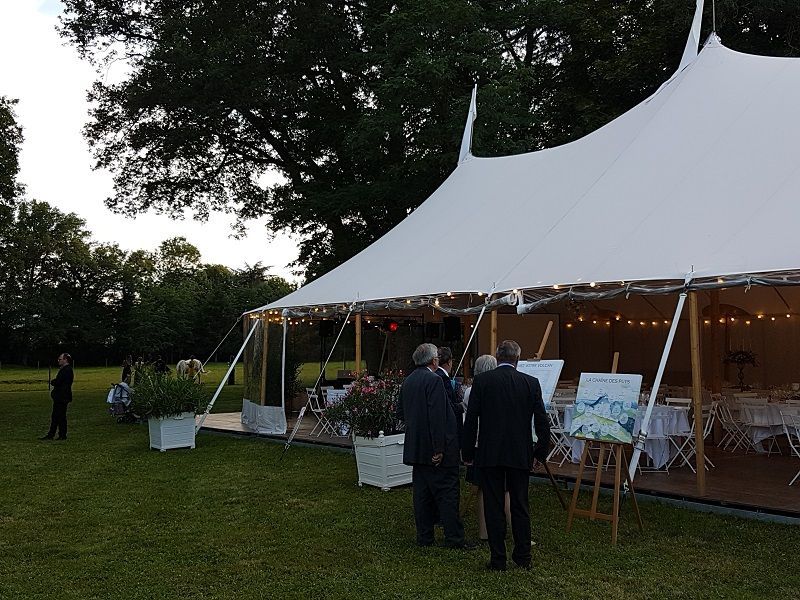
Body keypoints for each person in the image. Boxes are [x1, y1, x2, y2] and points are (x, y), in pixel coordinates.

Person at [462, 340, 550, 571]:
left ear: (497, 356)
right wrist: (540, 453)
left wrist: (468, 451)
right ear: (517, 359)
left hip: (490, 452)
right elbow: (542, 421)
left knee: (493, 505)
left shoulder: (483, 382)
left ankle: (498, 558)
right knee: (520, 504)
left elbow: (471, 420)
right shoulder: (530, 383)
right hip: (520, 452)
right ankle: (523, 556)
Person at [396, 343, 468, 549]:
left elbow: (400, 412)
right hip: (435, 447)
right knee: (447, 493)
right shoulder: (434, 380)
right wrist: (439, 448)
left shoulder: (408, 380)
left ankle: (425, 536)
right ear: (434, 360)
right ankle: (454, 538)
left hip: (416, 446)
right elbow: (438, 417)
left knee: (422, 494)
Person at [461, 354, 506, 541]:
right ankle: (505, 526)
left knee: (480, 487)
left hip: (477, 443)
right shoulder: (497, 389)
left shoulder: (470, 391)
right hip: (494, 442)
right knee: (503, 487)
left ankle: (484, 531)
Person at [40, 353, 74, 441]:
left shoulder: (67, 370)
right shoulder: (65, 369)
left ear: (65, 360)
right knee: (56, 416)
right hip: (60, 396)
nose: (58, 361)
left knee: (60, 416)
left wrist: (53, 382)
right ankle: (52, 434)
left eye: (60, 359)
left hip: (62, 397)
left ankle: (61, 434)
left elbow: (59, 382)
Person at [436, 346, 463, 445]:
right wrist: (462, 406)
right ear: (449, 362)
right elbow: (448, 405)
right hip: (448, 432)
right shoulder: (443, 378)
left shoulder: (435, 375)